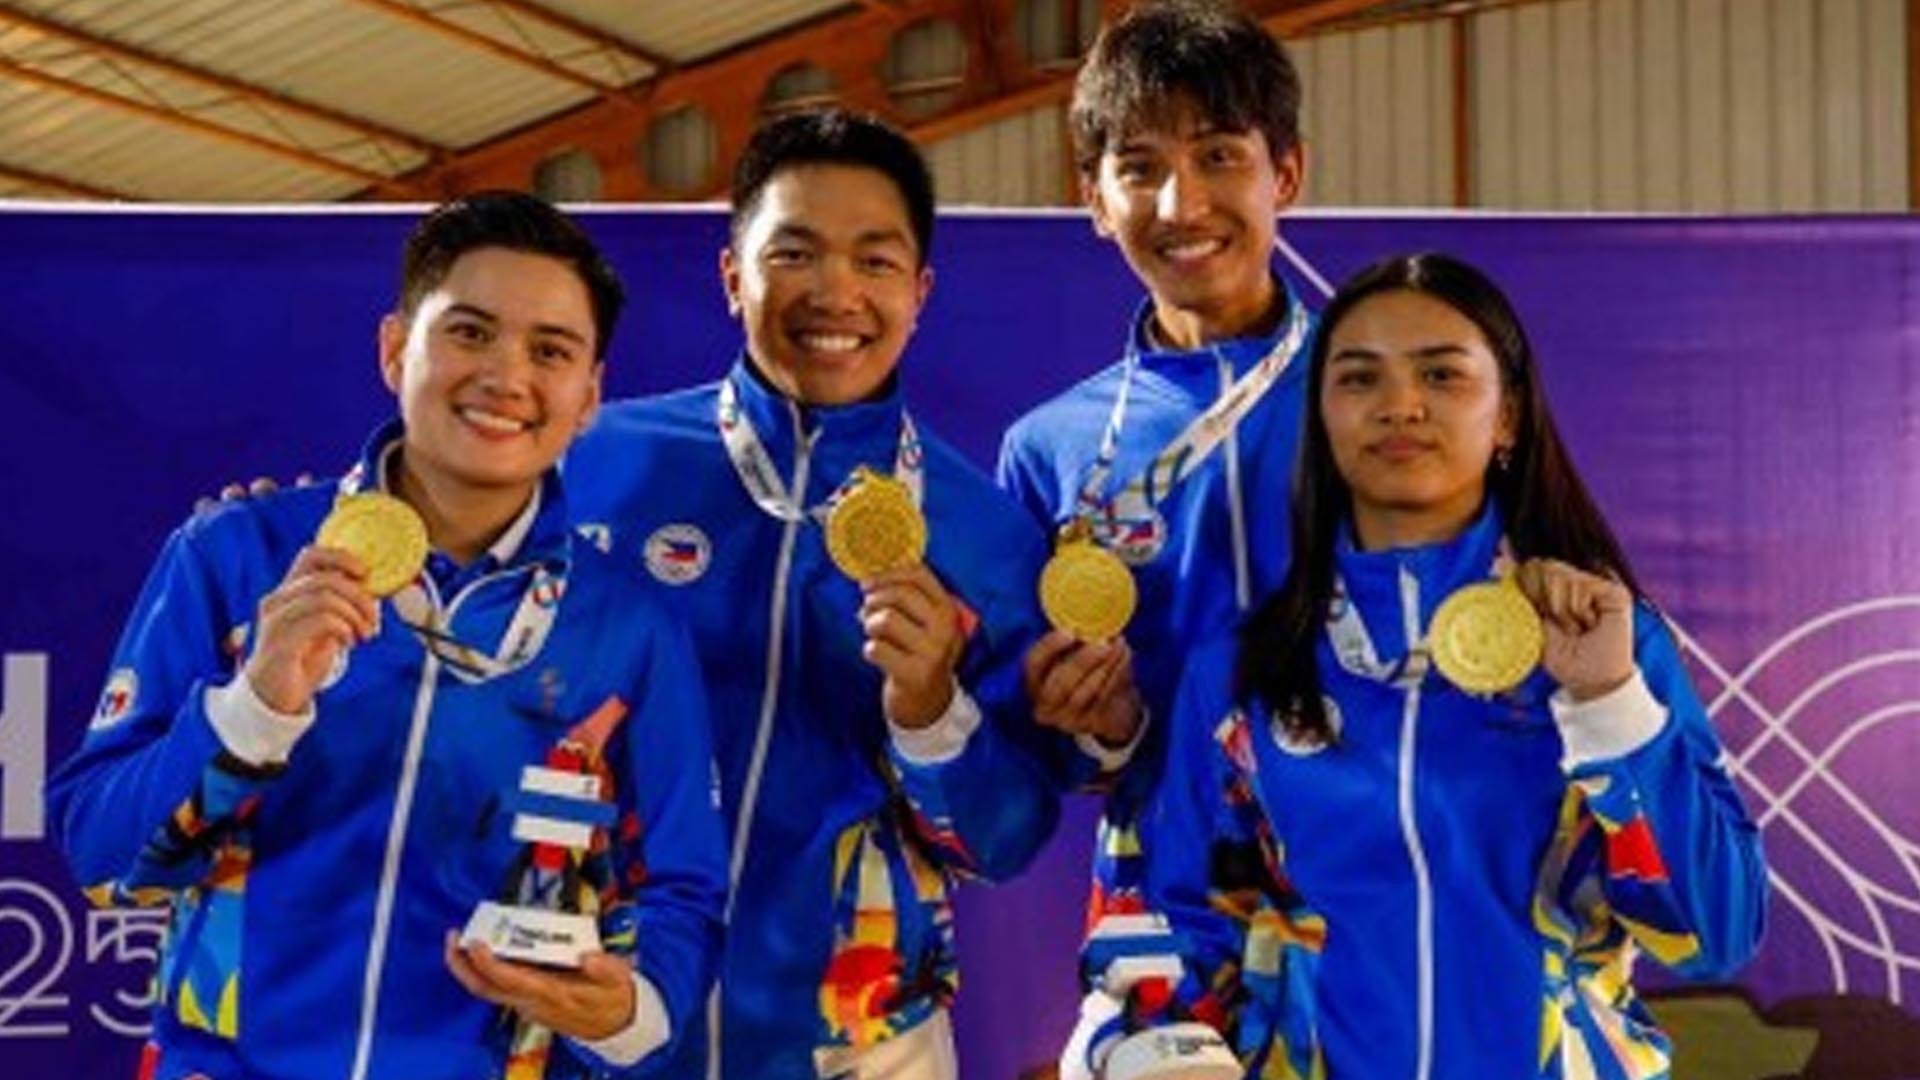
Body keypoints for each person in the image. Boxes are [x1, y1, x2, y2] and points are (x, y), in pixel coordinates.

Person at [45, 192, 727, 1079]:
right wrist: (252, 709)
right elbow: (103, 860)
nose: (506, 377)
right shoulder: (236, 557)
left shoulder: (630, 628)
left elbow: (681, 894)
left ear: (590, 395)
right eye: (470, 333)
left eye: (550, 351)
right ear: (396, 349)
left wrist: (627, 1008)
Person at [1084, 252, 1768, 1078]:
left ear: (1507, 415)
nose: (1400, 405)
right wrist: (1157, 1052)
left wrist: (1607, 700)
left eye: (1442, 375)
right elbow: (1169, 921)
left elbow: (1713, 933)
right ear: (1321, 418)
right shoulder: (1242, 667)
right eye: (1359, 379)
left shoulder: (1605, 643)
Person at [562, 108, 1081, 1079]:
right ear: (733, 276)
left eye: (875, 261)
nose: (836, 292)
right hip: (604, 1015)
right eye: (794, 254)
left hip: (863, 1042)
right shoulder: (591, 464)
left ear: (920, 292)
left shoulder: (986, 536)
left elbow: (1004, 845)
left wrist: (931, 712)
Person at [991, 0, 1314, 1054]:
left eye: (1219, 156)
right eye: (1139, 168)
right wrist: (1095, 726)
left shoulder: (1383, 402)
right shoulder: (1050, 448)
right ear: (1094, 199)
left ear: (1285, 175)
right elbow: (1047, 755)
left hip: (1380, 893)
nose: (1182, 203)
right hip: (1167, 918)